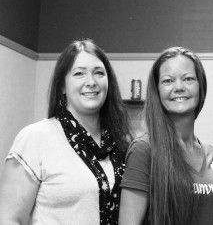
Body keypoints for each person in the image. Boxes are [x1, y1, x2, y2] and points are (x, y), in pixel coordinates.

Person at [0, 39, 132, 224]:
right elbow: (10, 219)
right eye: (79, 74)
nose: (91, 82)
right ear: (62, 85)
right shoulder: (35, 137)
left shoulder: (121, 143)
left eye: (99, 73)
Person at [119, 46, 213, 225]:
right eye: (168, 81)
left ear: (201, 86)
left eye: (188, 79)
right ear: (157, 91)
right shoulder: (144, 150)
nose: (179, 87)